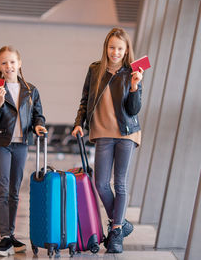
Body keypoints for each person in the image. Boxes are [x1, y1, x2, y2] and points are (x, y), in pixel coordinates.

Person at [72, 27, 144, 253]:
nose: (115, 52)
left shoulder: (133, 71)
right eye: (112, 47)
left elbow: (133, 110)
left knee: (120, 183)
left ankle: (115, 233)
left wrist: (134, 86)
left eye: (120, 48)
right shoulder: (95, 70)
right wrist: (78, 123)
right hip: (103, 133)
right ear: (106, 48)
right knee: (101, 183)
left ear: (126, 51)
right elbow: (85, 100)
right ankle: (121, 224)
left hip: (126, 133)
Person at [0, 45, 46, 257]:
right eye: (4, 62)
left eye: (12, 62)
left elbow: (38, 115)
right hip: (1, 143)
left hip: (21, 144)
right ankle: (4, 237)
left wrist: (38, 125)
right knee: (2, 188)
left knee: (14, 192)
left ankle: (10, 235)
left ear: (19, 63)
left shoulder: (31, 89)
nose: (8, 66)